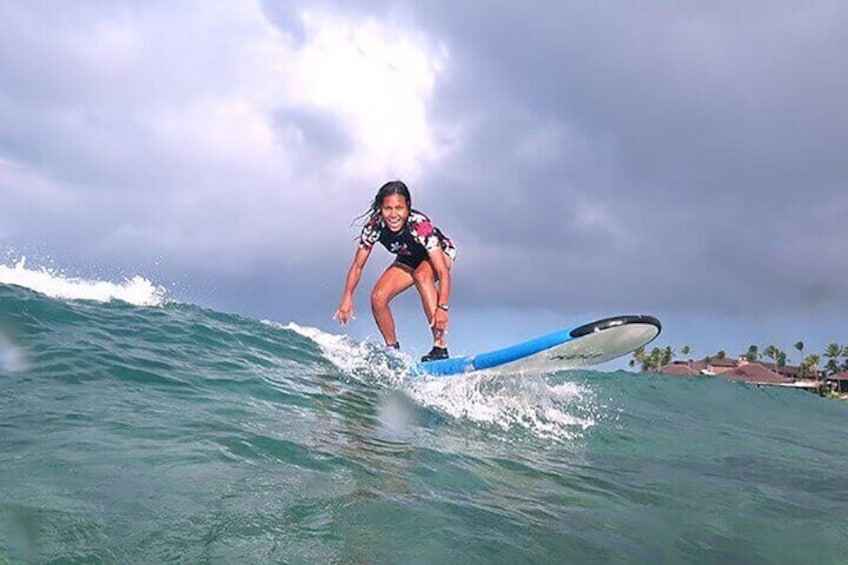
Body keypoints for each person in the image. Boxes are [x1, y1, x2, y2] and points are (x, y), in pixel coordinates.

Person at [334, 180, 456, 362]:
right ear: (381, 209)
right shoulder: (374, 227)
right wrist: (347, 297)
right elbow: (357, 266)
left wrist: (442, 308)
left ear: (407, 207)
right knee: (378, 297)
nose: (393, 214)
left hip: (440, 254)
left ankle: (440, 347)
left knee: (422, 276)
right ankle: (393, 351)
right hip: (408, 258)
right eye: (387, 208)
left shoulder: (419, 225)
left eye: (399, 208)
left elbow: (443, 272)